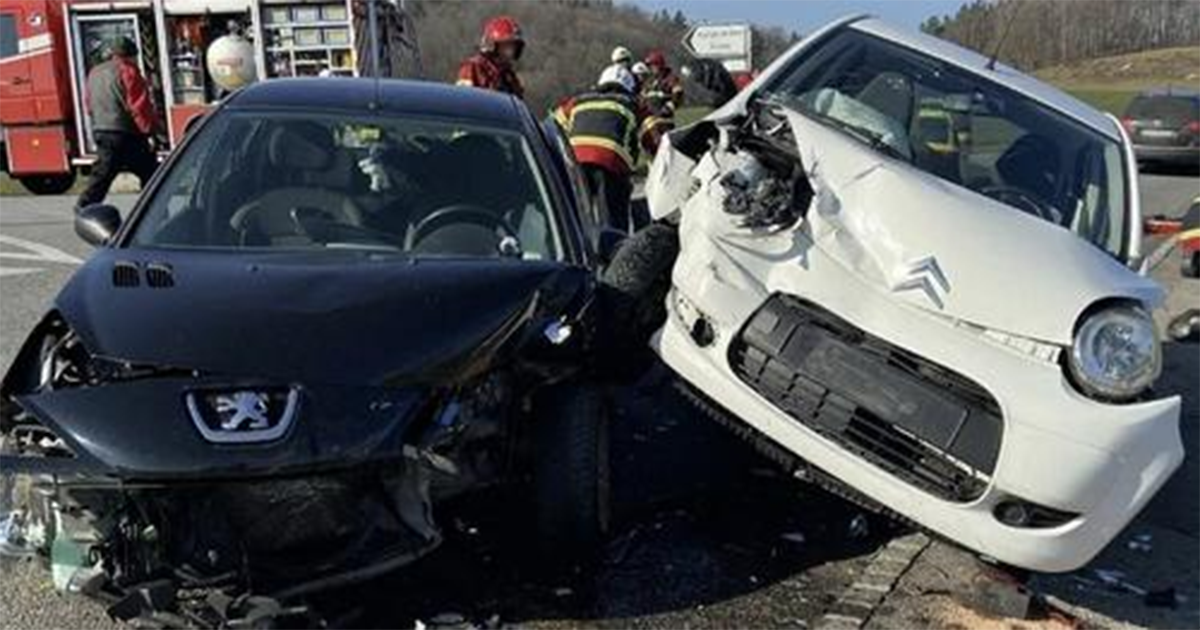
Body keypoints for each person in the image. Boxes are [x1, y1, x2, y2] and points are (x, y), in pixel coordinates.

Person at [552, 65, 648, 232]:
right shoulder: (631, 105)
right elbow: (641, 139)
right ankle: (615, 243)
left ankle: (574, 241)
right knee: (613, 215)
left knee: (577, 213)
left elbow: (554, 123)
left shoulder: (578, 101)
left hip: (576, 160)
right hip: (610, 161)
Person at [75, 36, 161, 211]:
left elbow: (88, 104)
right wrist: (149, 131)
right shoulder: (128, 71)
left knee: (104, 171)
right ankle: (152, 208)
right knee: (149, 171)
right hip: (125, 131)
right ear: (130, 54)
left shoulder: (95, 72)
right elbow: (138, 106)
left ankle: (86, 204)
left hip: (101, 128)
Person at [455, 16, 525, 99]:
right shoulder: (473, 68)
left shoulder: (509, 76)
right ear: (492, 45)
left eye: (514, 46)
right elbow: (463, 99)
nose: (511, 51)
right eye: (507, 45)